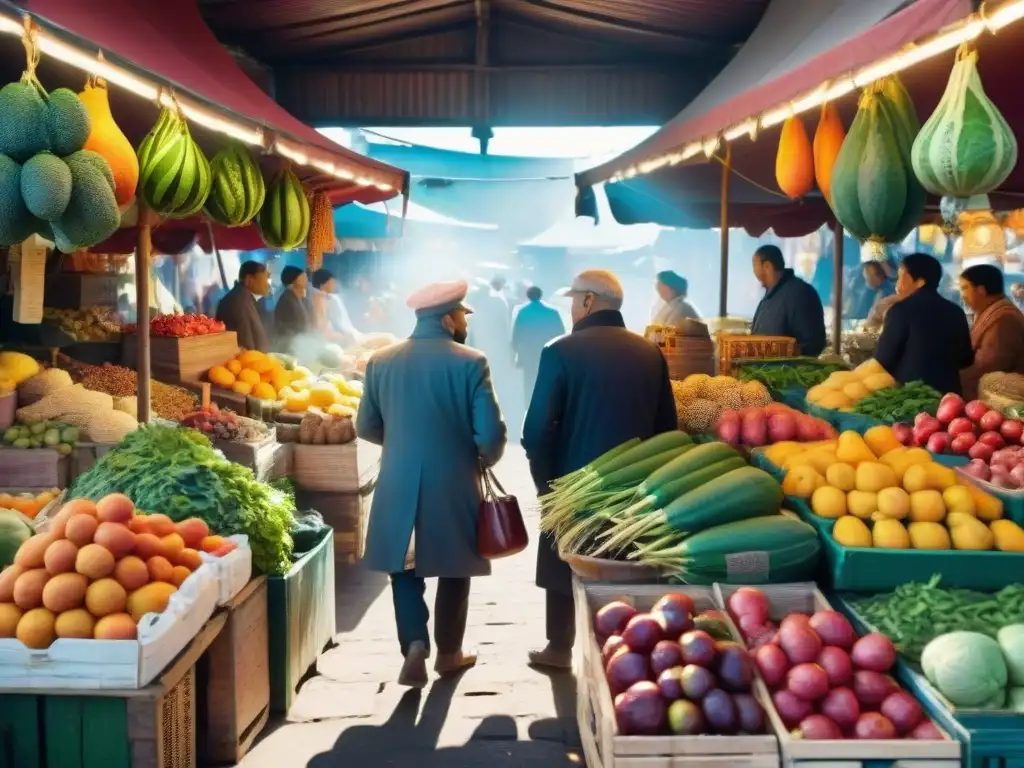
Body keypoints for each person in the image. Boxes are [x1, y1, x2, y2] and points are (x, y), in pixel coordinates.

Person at [523, 269, 677, 669]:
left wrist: (547, 486)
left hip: (574, 484)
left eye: (573, 300)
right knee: (625, 565)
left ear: (589, 301)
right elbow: (667, 430)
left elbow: (536, 432)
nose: (572, 308)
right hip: (635, 491)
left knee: (564, 560)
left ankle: (559, 647)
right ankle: (625, 649)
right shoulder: (650, 353)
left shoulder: (558, 351)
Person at [356, 279, 506, 688]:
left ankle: (414, 644)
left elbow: (365, 425)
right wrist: (484, 458)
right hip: (454, 481)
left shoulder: (381, 361)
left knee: (402, 570)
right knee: (456, 567)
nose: (464, 321)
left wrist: (402, 441)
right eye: (462, 314)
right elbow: (490, 435)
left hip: (397, 479)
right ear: (447, 318)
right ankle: (450, 652)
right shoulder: (472, 362)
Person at [875, 252, 973, 395]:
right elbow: (966, 359)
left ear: (920, 282)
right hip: (950, 399)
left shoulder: (900, 311)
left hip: (910, 399)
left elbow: (883, 360)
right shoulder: (956, 312)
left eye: (901, 277)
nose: (897, 285)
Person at [959, 264, 1024, 400]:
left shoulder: (1005, 319)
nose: (962, 295)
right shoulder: (992, 311)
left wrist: (952, 375)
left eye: (965, 288)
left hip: (1004, 400)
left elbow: (988, 367)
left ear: (981, 290)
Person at [750, 245, 826, 356]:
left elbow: (812, 343)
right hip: (761, 369)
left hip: (788, 371)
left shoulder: (801, 293)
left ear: (767, 266)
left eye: (754, 265)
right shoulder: (768, 298)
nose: (753, 271)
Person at [511, 286, 565, 402]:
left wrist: (515, 353)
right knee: (548, 381)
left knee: (529, 381)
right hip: (549, 353)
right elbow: (561, 333)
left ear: (528, 296)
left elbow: (517, 335)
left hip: (528, 353)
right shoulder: (553, 312)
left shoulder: (523, 312)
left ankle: (529, 407)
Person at [215, 261, 270, 352]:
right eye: (265, 279)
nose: (268, 285)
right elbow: (246, 342)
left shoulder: (242, 297)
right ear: (249, 280)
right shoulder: (239, 301)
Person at [310, 268, 362, 346]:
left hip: (345, 336)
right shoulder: (320, 299)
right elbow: (320, 328)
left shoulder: (330, 298)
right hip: (332, 340)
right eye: (332, 282)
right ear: (324, 284)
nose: (334, 284)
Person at [273, 266, 310, 352]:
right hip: (289, 345)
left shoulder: (295, 296)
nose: (306, 279)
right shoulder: (287, 298)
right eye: (302, 276)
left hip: (297, 343)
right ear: (294, 280)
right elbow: (300, 322)